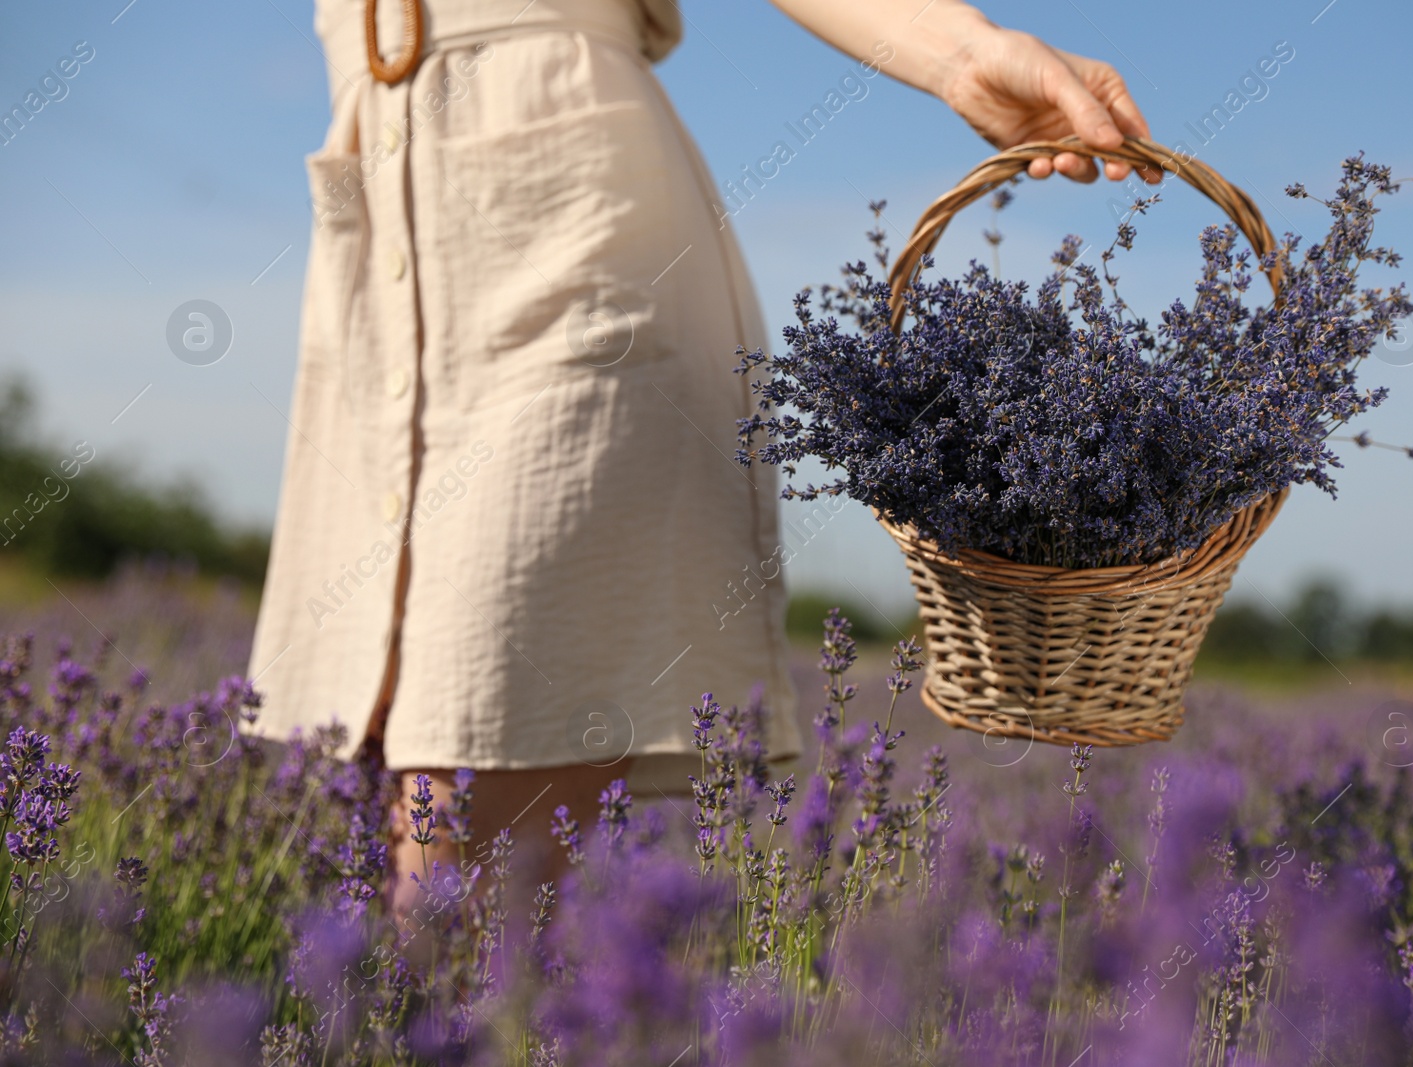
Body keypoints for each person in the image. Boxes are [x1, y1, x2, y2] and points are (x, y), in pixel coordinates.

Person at [243, 0, 1152, 913]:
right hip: (375, 244)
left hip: (573, 236)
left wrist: (966, 57)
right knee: (362, 807)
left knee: (459, 839)